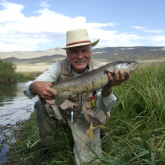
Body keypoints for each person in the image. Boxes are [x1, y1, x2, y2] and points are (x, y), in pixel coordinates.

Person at [23, 29, 130, 164]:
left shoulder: (102, 70)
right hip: (65, 113)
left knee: (91, 162)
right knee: (41, 105)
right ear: (67, 54)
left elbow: (105, 106)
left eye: (84, 51)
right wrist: (34, 86)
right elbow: (28, 88)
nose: (80, 56)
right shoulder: (58, 66)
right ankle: (47, 148)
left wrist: (107, 88)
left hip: (88, 118)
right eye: (74, 51)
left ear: (90, 52)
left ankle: (98, 132)